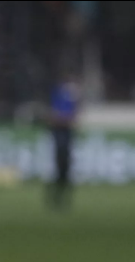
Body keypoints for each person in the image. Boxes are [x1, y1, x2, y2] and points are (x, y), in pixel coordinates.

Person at [48, 75, 80, 209]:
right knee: (59, 167)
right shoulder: (59, 96)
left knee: (65, 168)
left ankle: (61, 197)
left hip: (65, 135)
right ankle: (57, 196)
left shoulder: (70, 98)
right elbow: (54, 116)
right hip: (60, 135)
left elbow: (73, 117)